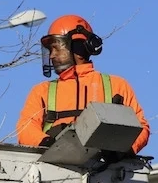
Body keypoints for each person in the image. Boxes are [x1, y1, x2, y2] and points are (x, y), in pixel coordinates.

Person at [16, 14, 150, 153]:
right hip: (54, 167)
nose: (51, 55)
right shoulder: (41, 91)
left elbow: (140, 126)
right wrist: (50, 145)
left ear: (78, 47)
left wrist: (126, 150)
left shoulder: (117, 86)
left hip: (107, 171)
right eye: (50, 50)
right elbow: (26, 128)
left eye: (56, 48)